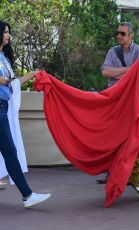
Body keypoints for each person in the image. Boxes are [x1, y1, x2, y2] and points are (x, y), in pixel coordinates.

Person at [0, 20, 51, 208]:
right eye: (6, 32)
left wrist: (32, 74)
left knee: (9, 152)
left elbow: (12, 82)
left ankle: (28, 196)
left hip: (4, 107)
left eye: (8, 32)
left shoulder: (4, 57)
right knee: (10, 152)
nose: (8, 35)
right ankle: (27, 196)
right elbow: (4, 81)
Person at [97, 22, 139, 185]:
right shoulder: (113, 51)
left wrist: (118, 73)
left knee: (130, 136)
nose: (119, 36)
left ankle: (129, 173)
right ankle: (111, 172)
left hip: (132, 100)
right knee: (112, 136)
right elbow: (105, 72)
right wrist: (128, 70)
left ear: (131, 36)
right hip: (114, 99)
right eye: (117, 33)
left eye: (123, 34)